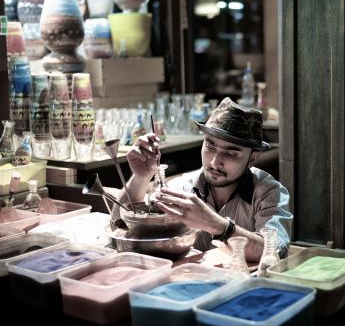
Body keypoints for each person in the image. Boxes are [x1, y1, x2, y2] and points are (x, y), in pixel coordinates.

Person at [115, 97, 292, 262]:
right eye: (210, 146)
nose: (215, 162)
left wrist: (216, 225)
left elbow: (275, 250)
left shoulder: (268, 192)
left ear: (252, 158)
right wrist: (141, 178)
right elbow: (119, 224)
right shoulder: (182, 188)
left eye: (231, 153)